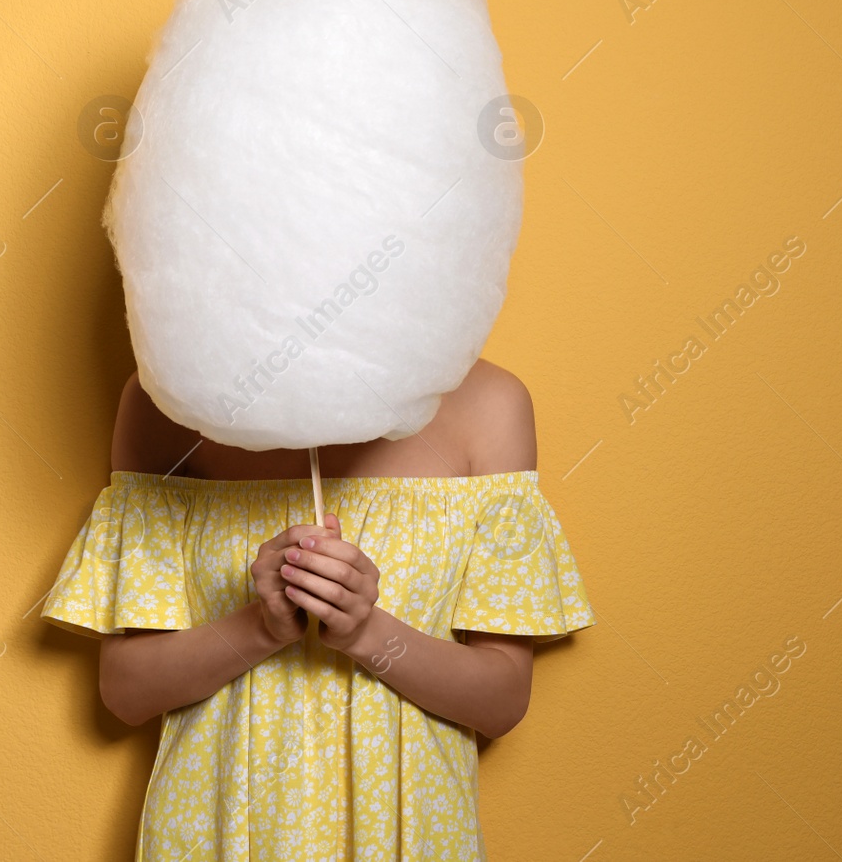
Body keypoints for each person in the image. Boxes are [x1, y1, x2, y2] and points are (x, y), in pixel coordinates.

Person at [40, 356, 595, 860]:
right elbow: (127, 691)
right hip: (215, 836)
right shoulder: (165, 403)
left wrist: (366, 633)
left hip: (409, 838)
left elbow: (501, 703)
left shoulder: (492, 406)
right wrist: (260, 627)